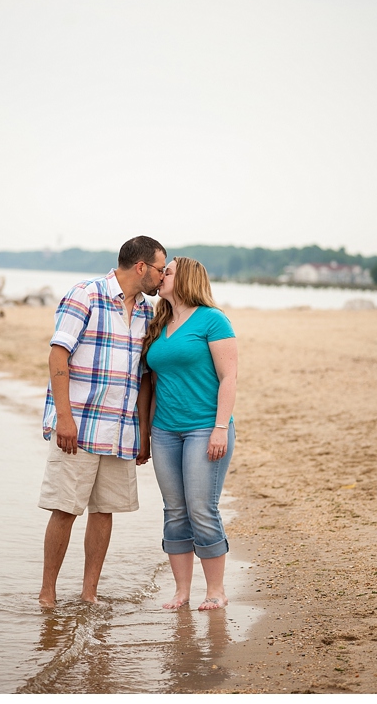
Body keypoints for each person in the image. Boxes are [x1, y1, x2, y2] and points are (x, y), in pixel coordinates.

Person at [38, 235, 166, 608]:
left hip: (120, 429)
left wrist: (142, 431)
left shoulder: (146, 312)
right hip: (79, 426)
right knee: (65, 508)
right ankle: (47, 594)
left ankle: (89, 593)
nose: (163, 276)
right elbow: (58, 355)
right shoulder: (86, 295)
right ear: (141, 267)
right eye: (160, 268)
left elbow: (143, 377)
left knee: (104, 510)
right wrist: (64, 418)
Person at [142, 257, 237, 611]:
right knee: (175, 511)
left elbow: (229, 377)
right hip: (165, 431)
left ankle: (216, 591)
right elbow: (153, 383)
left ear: (186, 279)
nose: (160, 275)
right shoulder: (159, 321)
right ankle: (182, 591)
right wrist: (147, 435)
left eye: (167, 271)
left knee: (201, 508)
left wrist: (220, 428)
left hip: (204, 429)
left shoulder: (213, 319)